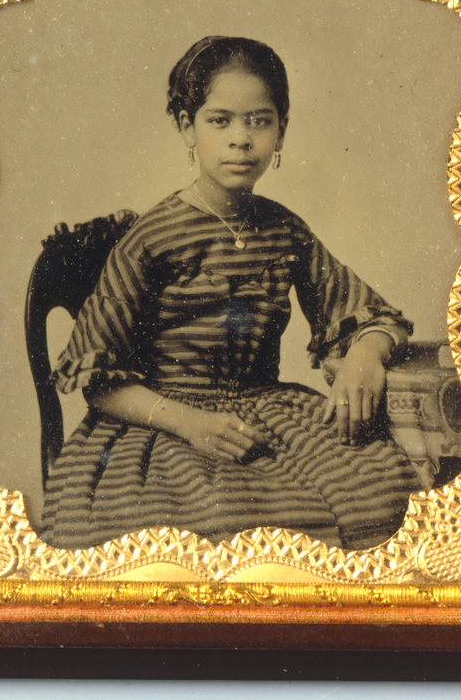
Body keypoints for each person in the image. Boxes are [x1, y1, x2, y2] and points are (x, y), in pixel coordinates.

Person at [41, 36, 426, 551]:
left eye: (259, 121)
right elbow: (96, 378)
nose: (240, 139)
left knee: (373, 496)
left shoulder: (284, 230)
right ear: (187, 128)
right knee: (216, 527)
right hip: (166, 429)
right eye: (219, 121)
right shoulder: (151, 239)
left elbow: (367, 312)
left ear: (280, 131)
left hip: (269, 412)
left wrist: (365, 355)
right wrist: (191, 423)